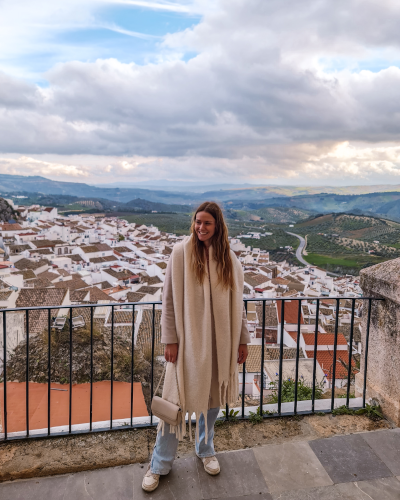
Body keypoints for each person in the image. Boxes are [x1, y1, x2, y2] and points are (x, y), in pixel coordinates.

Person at [142, 201, 250, 492]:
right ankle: (159, 464)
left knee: (212, 402)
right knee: (173, 405)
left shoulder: (229, 259)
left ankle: (206, 449)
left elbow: (237, 304)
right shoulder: (181, 253)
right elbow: (168, 301)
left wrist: (242, 339)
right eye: (197, 222)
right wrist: (170, 340)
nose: (200, 228)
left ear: (218, 227)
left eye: (207, 223)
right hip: (188, 344)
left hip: (221, 344)